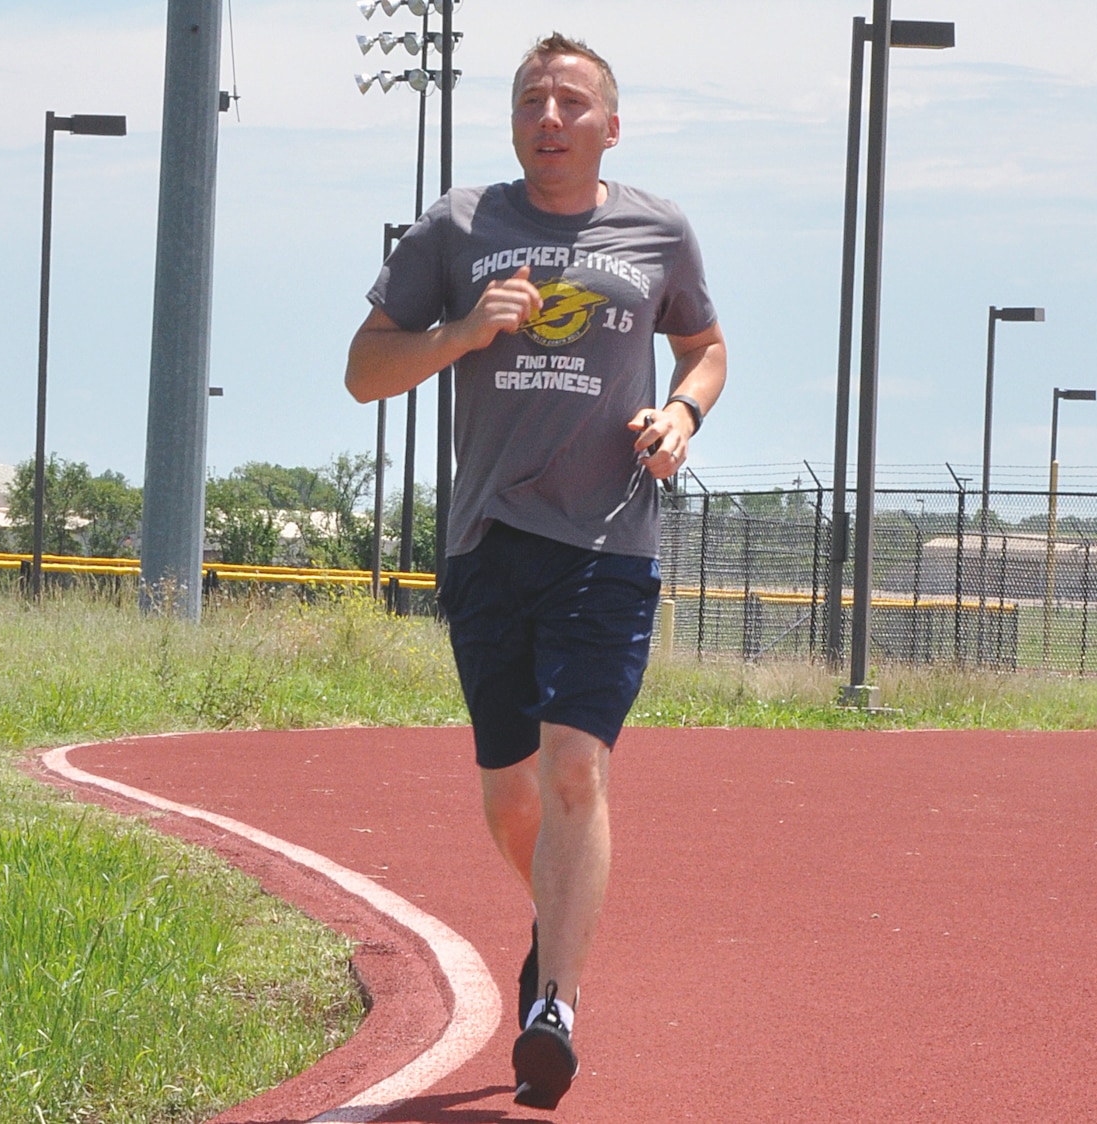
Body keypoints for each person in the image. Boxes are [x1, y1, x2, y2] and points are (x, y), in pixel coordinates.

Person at [345, 32, 726, 1112]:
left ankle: (554, 1001)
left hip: (609, 540)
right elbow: (364, 371)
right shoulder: (459, 227)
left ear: (610, 124)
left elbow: (705, 345)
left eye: (570, 102)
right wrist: (461, 329)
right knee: (511, 792)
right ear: (512, 121)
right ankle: (554, 922)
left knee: (573, 772)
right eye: (530, 101)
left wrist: (681, 411)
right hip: (488, 541)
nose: (548, 117)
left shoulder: (654, 230)